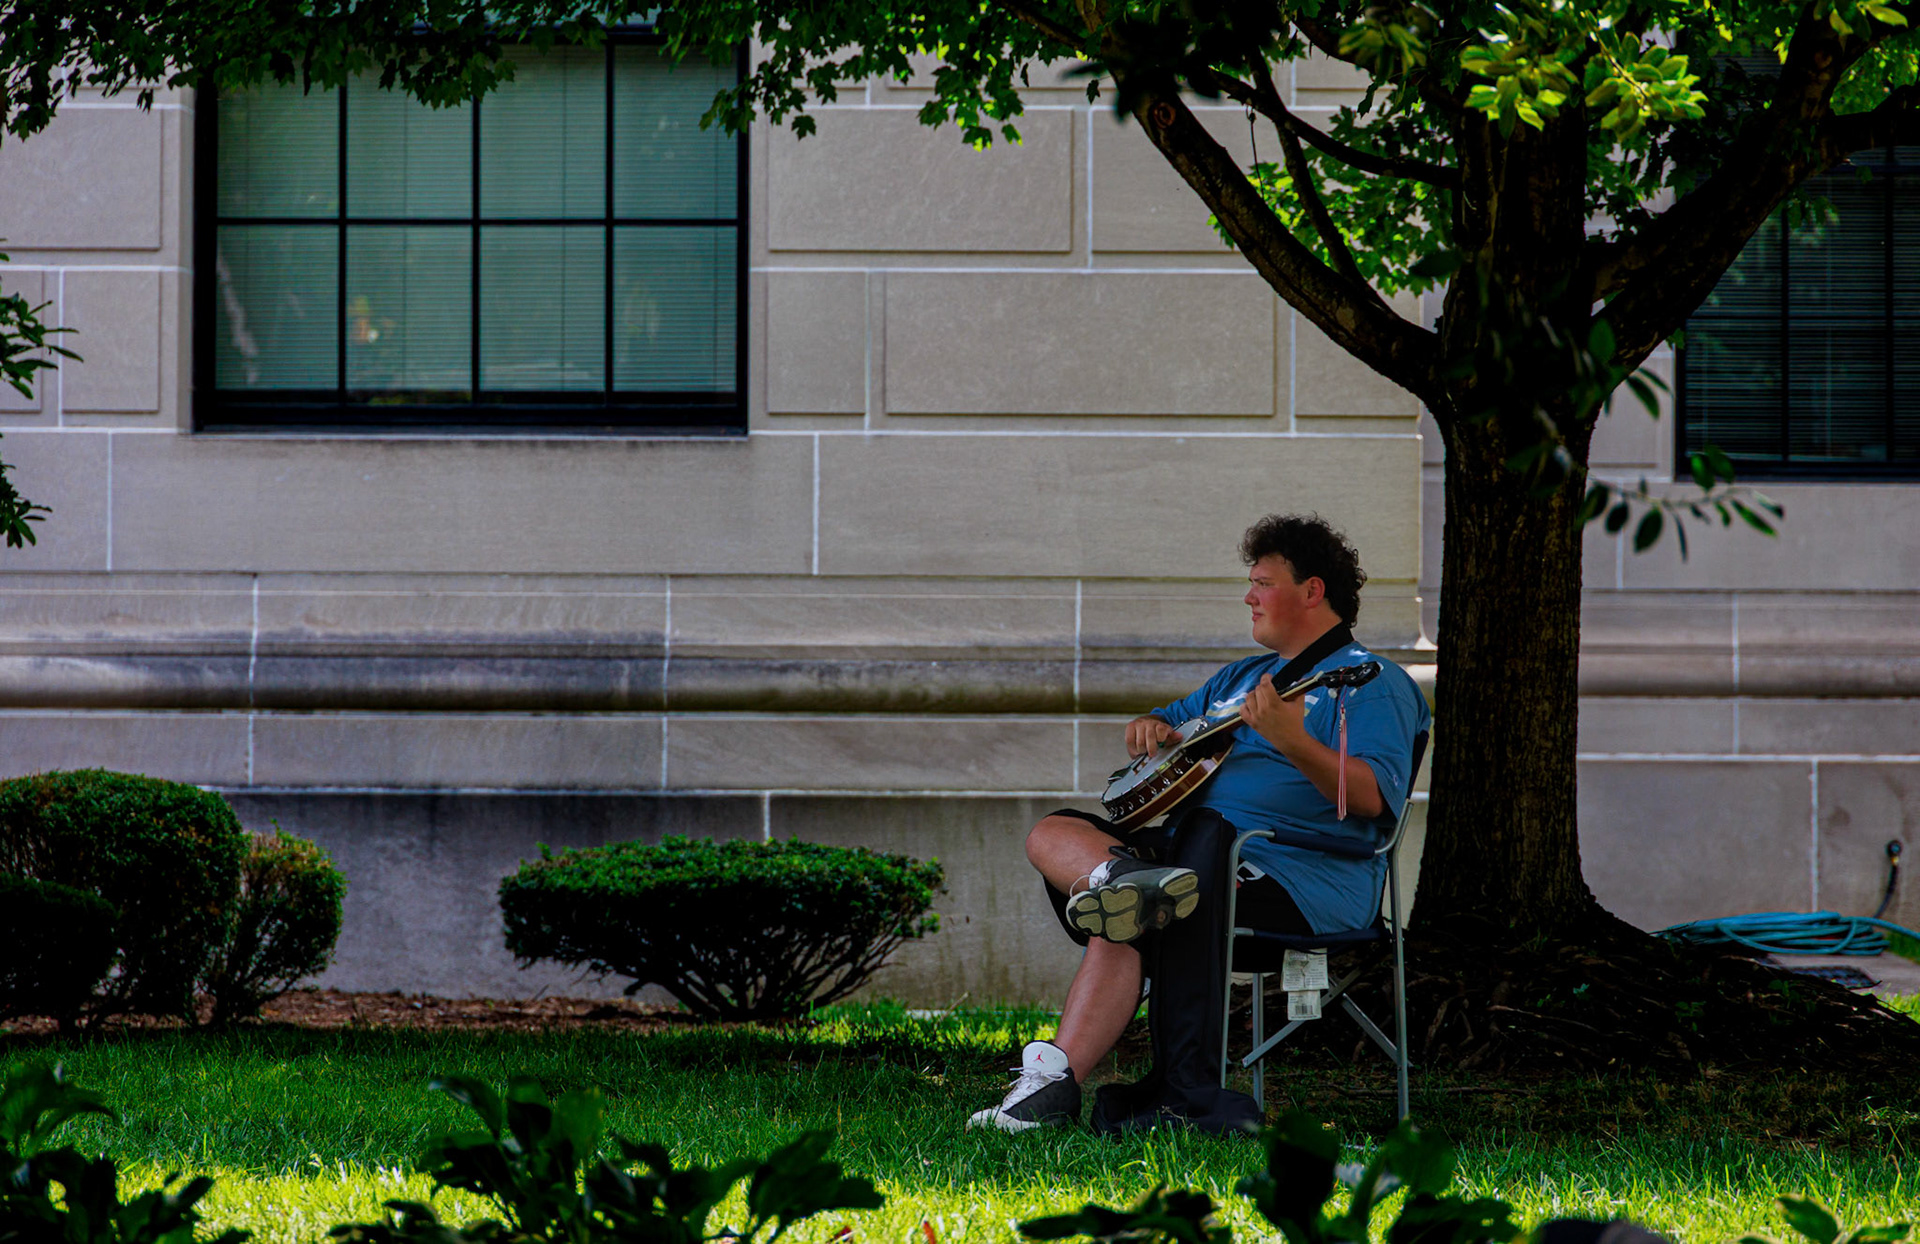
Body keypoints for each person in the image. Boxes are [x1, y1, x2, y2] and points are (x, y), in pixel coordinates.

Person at [967, 513, 1430, 1134]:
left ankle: (1068, 1069)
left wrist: (1293, 740)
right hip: (1192, 861)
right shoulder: (1238, 679)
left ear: (1312, 590)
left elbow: (1373, 800)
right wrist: (1151, 726)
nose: (1249, 596)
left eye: (1262, 583)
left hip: (1296, 876)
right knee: (1053, 834)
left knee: (1176, 867)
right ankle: (1130, 888)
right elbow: (1171, 724)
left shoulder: (1371, 683)